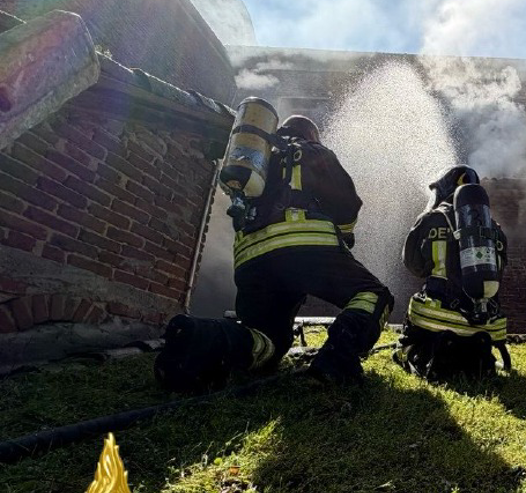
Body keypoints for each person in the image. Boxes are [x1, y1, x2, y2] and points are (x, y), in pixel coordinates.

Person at [155, 115, 393, 391]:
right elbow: (347, 205)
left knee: (267, 341)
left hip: (251, 259)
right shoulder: (312, 151)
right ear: (311, 135)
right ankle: (336, 362)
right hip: (304, 248)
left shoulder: (258, 158)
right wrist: (344, 232)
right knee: (374, 295)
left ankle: (200, 338)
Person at [397, 165, 510, 380]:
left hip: (437, 320)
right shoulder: (494, 229)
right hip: (482, 327)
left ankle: (412, 349)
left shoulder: (432, 219)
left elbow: (413, 266)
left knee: (418, 300)